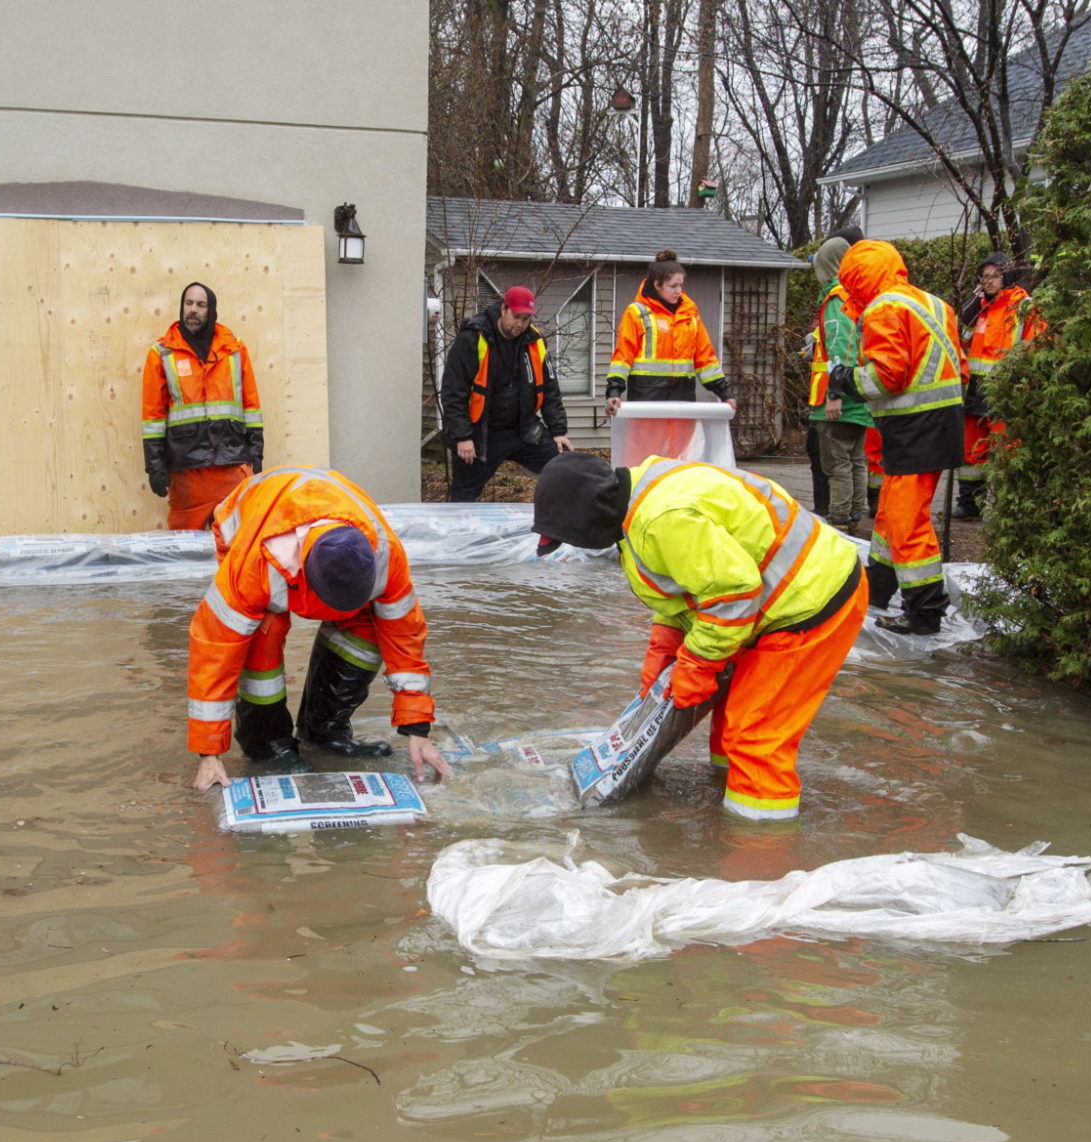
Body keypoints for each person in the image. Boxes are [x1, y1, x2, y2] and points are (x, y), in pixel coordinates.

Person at [530, 451, 865, 821]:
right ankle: (725, 794)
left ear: (588, 515)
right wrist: (665, 645)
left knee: (754, 737)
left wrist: (698, 664)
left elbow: (733, 595)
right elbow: (685, 585)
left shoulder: (662, 519)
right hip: (771, 601)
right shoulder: (633, 497)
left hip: (810, 600)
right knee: (729, 723)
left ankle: (759, 848)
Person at [185, 466, 452, 790]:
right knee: (261, 640)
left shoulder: (386, 556)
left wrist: (417, 730)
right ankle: (269, 747)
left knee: (367, 629)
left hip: (319, 514)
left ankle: (325, 731)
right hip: (248, 525)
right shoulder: (255, 568)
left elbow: (405, 638)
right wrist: (209, 752)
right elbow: (215, 650)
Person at [829, 240, 966, 636]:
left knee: (907, 521)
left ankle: (924, 611)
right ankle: (879, 588)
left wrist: (844, 379)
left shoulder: (883, 308)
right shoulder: (933, 304)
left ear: (856, 280)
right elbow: (961, 365)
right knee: (891, 512)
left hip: (916, 425)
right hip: (935, 421)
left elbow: (886, 376)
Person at [141, 282, 263, 530]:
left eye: (200, 304)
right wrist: (155, 467)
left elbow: (251, 404)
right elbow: (152, 416)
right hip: (187, 473)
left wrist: (256, 452)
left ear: (211, 309)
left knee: (239, 546)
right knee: (185, 554)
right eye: (188, 303)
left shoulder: (234, 349)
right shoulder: (162, 353)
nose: (193, 310)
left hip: (231, 467)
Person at [437, 284, 573, 501]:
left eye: (526, 319)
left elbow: (550, 388)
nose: (520, 324)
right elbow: (454, 392)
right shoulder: (473, 338)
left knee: (565, 469)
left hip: (523, 430)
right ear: (503, 309)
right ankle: (462, 533)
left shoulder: (534, 341)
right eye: (516, 317)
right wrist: (462, 436)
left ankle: (557, 527)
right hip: (480, 433)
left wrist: (558, 431)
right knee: (463, 496)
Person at [958, 252, 1044, 519]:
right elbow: (961, 340)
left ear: (1007, 276)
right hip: (974, 393)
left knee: (1008, 450)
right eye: (984, 276)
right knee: (972, 453)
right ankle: (970, 505)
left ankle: (1010, 507)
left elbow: (1038, 342)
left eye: (994, 275)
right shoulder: (979, 307)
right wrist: (971, 305)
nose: (989, 281)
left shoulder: (1023, 306)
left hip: (1005, 390)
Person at [605, 249, 735, 416]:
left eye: (681, 285)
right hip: (647, 399)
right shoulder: (637, 312)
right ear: (657, 284)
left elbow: (705, 358)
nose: (678, 291)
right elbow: (622, 357)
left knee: (682, 443)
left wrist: (725, 393)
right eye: (673, 286)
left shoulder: (690, 314)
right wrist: (614, 392)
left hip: (683, 398)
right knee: (649, 443)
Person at [807, 232, 874, 532]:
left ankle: (839, 522)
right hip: (859, 396)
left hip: (838, 400)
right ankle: (856, 516)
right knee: (856, 460)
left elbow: (840, 346)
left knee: (837, 465)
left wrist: (835, 393)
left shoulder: (836, 299)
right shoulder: (859, 297)